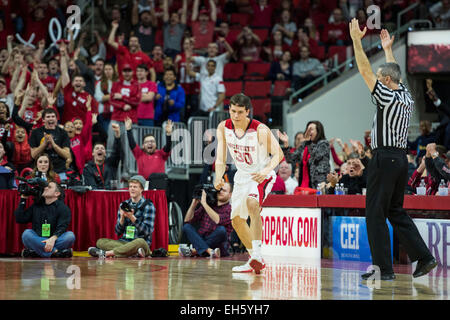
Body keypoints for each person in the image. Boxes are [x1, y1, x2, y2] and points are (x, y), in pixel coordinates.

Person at [350, 21, 436, 280]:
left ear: (386, 81)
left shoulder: (386, 96)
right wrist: (388, 50)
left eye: (380, 78)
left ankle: (382, 270)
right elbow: (394, 72)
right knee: (395, 211)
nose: (376, 80)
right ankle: (424, 257)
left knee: (374, 213)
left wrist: (356, 40)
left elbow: (365, 71)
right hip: (400, 159)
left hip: (384, 157)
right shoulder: (406, 95)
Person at [214, 93, 284, 274]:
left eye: (239, 112)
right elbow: (221, 158)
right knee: (236, 220)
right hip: (242, 175)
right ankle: (254, 259)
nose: (235, 116)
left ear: (247, 112)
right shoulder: (223, 127)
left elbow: (279, 154)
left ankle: (258, 255)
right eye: (232, 111)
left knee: (252, 203)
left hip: (261, 173)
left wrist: (266, 170)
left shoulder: (259, 130)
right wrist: (218, 176)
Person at [88, 175, 155, 258]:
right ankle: (132, 253)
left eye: (135, 187)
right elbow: (118, 232)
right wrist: (122, 218)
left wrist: (132, 218)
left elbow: (147, 231)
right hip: (124, 242)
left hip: (140, 243)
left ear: (141, 189)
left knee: (140, 242)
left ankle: (106, 253)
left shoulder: (148, 206)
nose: (132, 189)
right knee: (100, 242)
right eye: (130, 186)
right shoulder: (124, 205)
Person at [15, 181, 75, 258]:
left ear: (57, 193)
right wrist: (23, 199)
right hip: (38, 238)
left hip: (55, 239)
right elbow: (20, 219)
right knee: (26, 234)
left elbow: (62, 227)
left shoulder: (63, 208)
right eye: (45, 187)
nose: (45, 188)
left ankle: (36, 252)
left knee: (70, 236)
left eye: (49, 187)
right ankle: (56, 253)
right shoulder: (36, 205)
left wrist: (52, 239)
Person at [180, 182, 233, 258]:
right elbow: (187, 220)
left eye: (224, 191)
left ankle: (196, 250)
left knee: (221, 230)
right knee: (186, 227)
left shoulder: (230, 209)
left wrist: (204, 203)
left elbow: (218, 220)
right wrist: (193, 204)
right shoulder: (210, 204)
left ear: (230, 194)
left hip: (219, 245)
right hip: (203, 238)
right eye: (219, 189)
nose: (220, 192)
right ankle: (208, 251)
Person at [284, 120, 330, 189]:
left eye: (311, 129)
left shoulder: (324, 144)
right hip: (304, 184)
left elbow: (316, 156)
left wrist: (308, 143)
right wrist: (286, 145)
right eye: (307, 129)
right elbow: (290, 159)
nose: (308, 132)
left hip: (319, 184)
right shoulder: (305, 144)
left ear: (318, 131)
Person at [28, 108, 71, 180]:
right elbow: (33, 155)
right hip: (40, 172)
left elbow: (67, 155)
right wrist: (44, 144)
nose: (51, 118)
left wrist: (53, 145)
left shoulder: (63, 133)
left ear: (56, 119)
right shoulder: (36, 132)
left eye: (53, 116)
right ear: (43, 120)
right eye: (48, 117)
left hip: (59, 171)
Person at [83, 123, 122, 190]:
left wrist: (117, 136)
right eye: (97, 148)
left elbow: (117, 152)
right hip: (96, 197)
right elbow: (92, 187)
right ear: (93, 153)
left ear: (105, 153)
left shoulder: (111, 164)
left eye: (102, 148)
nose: (100, 149)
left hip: (110, 196)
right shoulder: (87, 169)